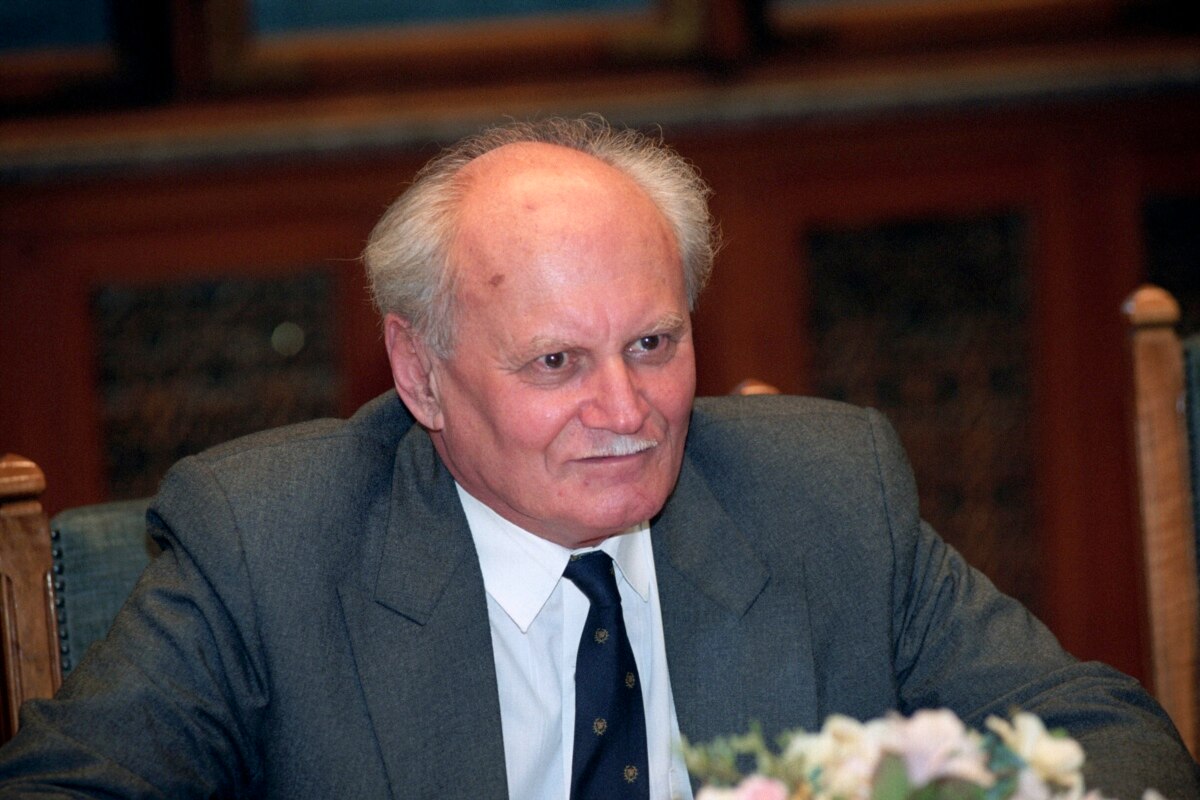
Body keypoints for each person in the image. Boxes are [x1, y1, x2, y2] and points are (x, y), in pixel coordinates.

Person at [0, 116, 1195, 799]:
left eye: (653, 343)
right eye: (557, 362)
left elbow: (1113, 736)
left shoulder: (826, 496)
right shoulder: (270, 542)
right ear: (421, 372)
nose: (628, 409)